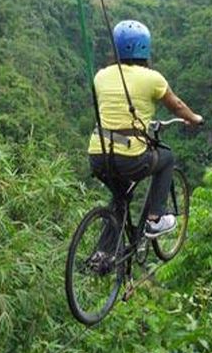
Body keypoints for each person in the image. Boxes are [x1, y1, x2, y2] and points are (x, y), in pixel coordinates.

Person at [87, 20, 203, 238]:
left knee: (121, 198)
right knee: (166, 158)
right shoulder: (152, 78)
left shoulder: (100, 76)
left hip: (97, 154)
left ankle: (106, 252)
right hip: (129, 157)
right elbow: (177, 106)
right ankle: (155, 219)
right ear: (145, 48)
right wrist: (194, 118)